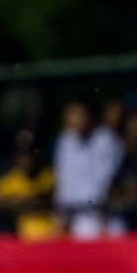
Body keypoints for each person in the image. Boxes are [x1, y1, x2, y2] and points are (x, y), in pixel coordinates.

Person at [52, 100, 124, 239]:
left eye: (77, 115)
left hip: (105, 215)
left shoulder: (106, 138)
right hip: (75, 216)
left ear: (89, 115)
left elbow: (104, 180)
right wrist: (61, 217)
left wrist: (99, 217)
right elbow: (63, 180)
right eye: (70, 116)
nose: (74, 120)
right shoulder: (65, 140)